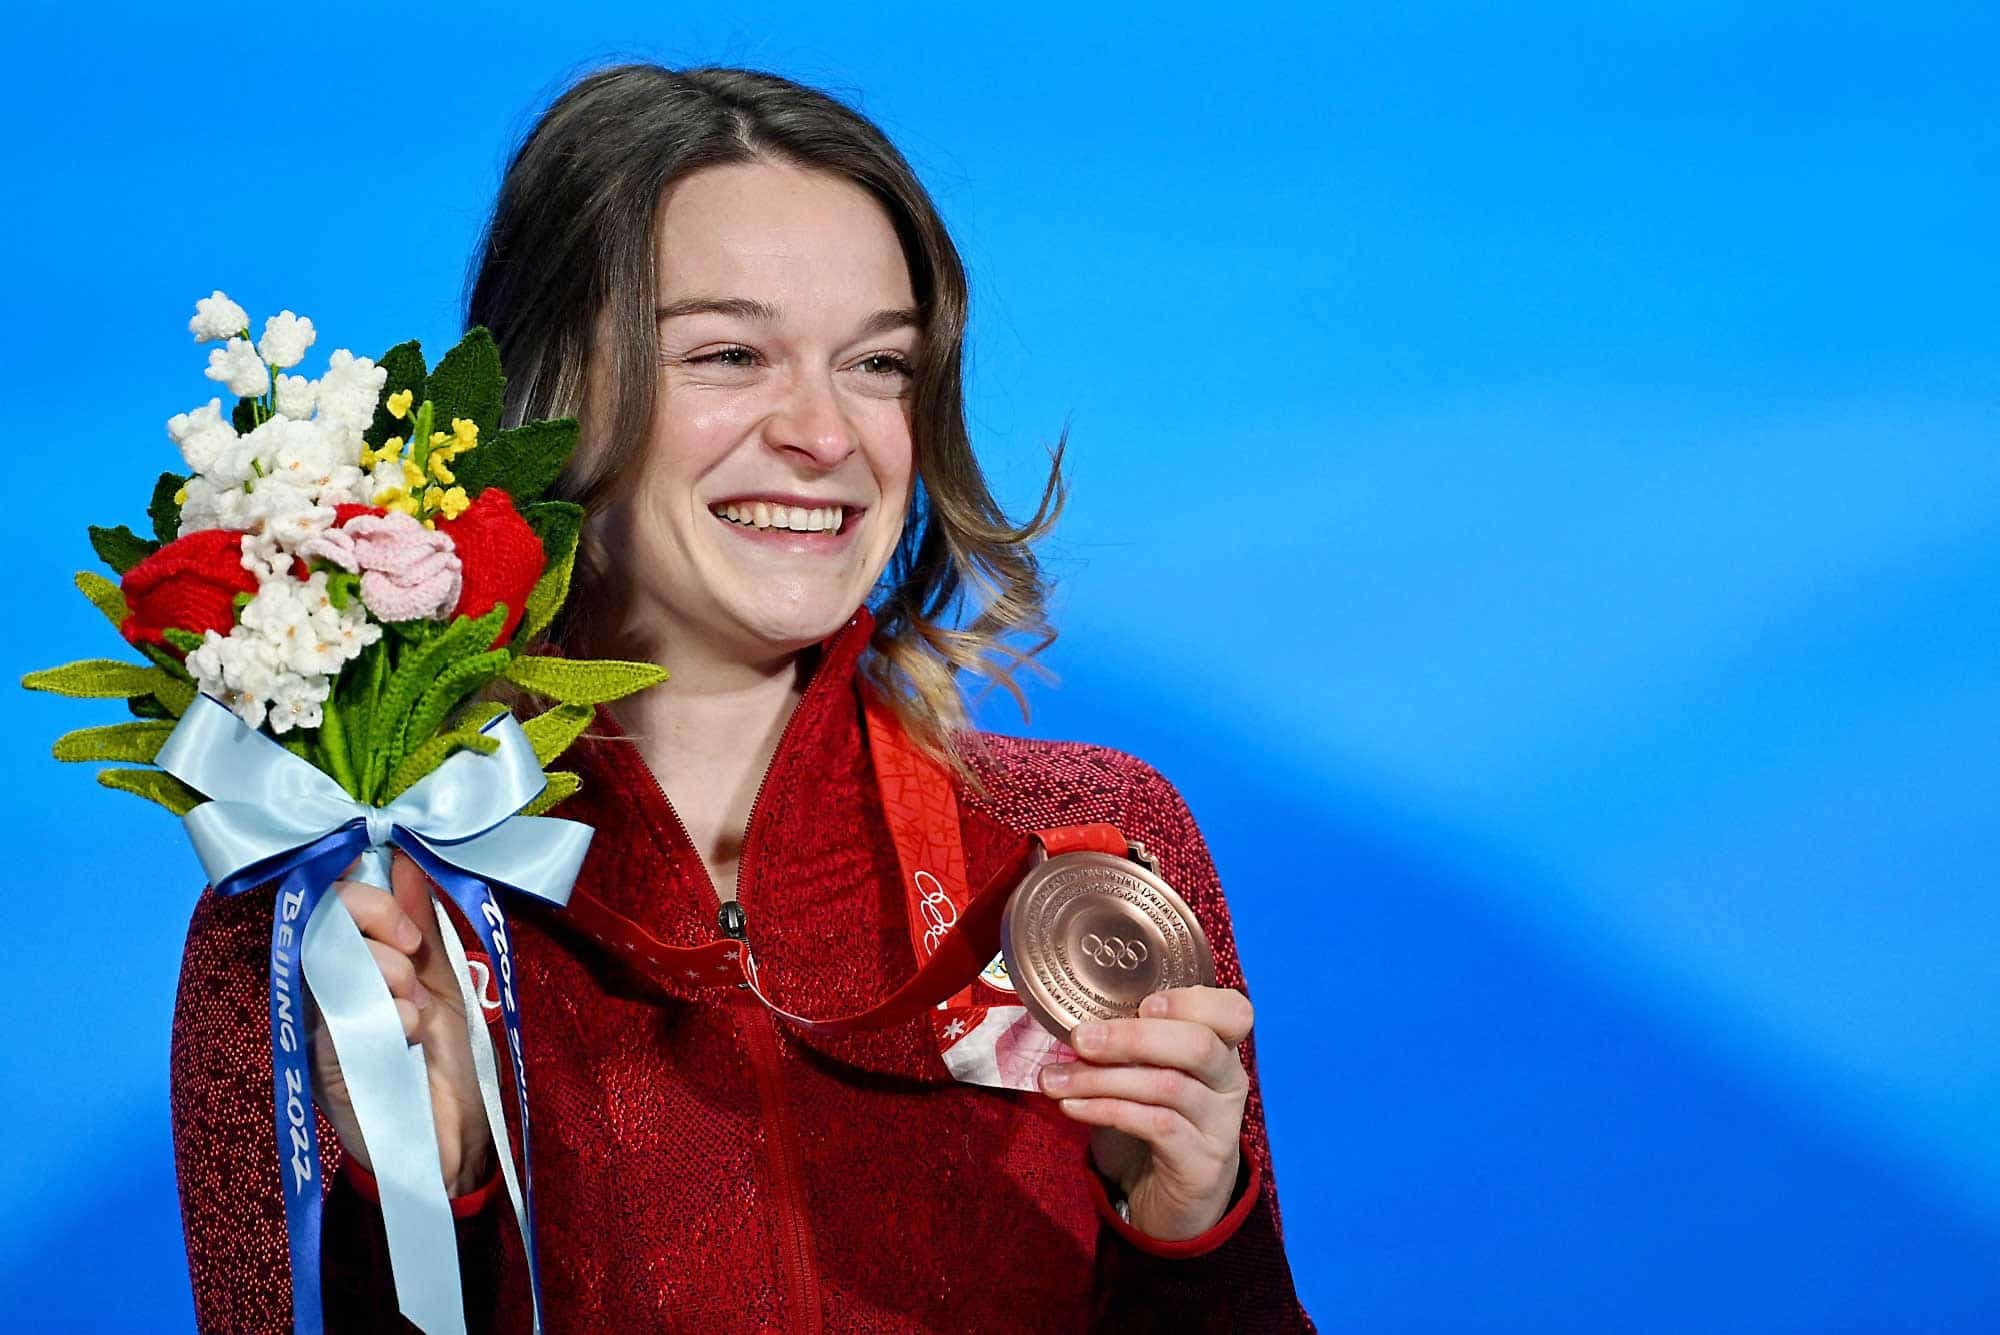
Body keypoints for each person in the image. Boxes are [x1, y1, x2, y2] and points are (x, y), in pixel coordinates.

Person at [170, 64, 1313, 1332]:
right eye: (728, 352)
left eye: (878, 364)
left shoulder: (1081, 853)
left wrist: (1185, 1238)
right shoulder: (338, 917)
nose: (826, 433)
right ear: (551, 390)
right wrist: (420, 1211)